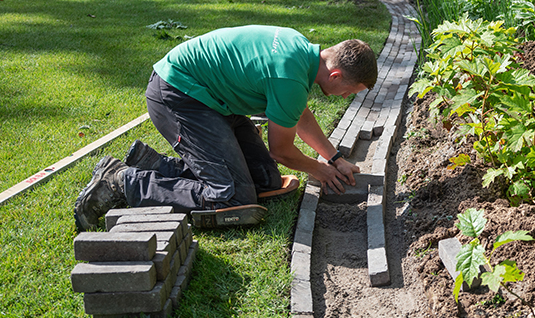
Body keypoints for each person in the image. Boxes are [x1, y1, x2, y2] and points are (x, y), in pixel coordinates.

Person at [74, 25, 378, 231]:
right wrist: (320, 170)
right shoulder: (289, 78)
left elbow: (297, 113)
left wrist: (334, 158)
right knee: (233, 199)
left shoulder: (299, 49)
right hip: (179, 95)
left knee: (266, 179)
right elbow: (282, 150)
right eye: (351, 91)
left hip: (214, 100)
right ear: (336, 75)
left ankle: (155, 165)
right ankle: (121, 181)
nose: (347, 96)